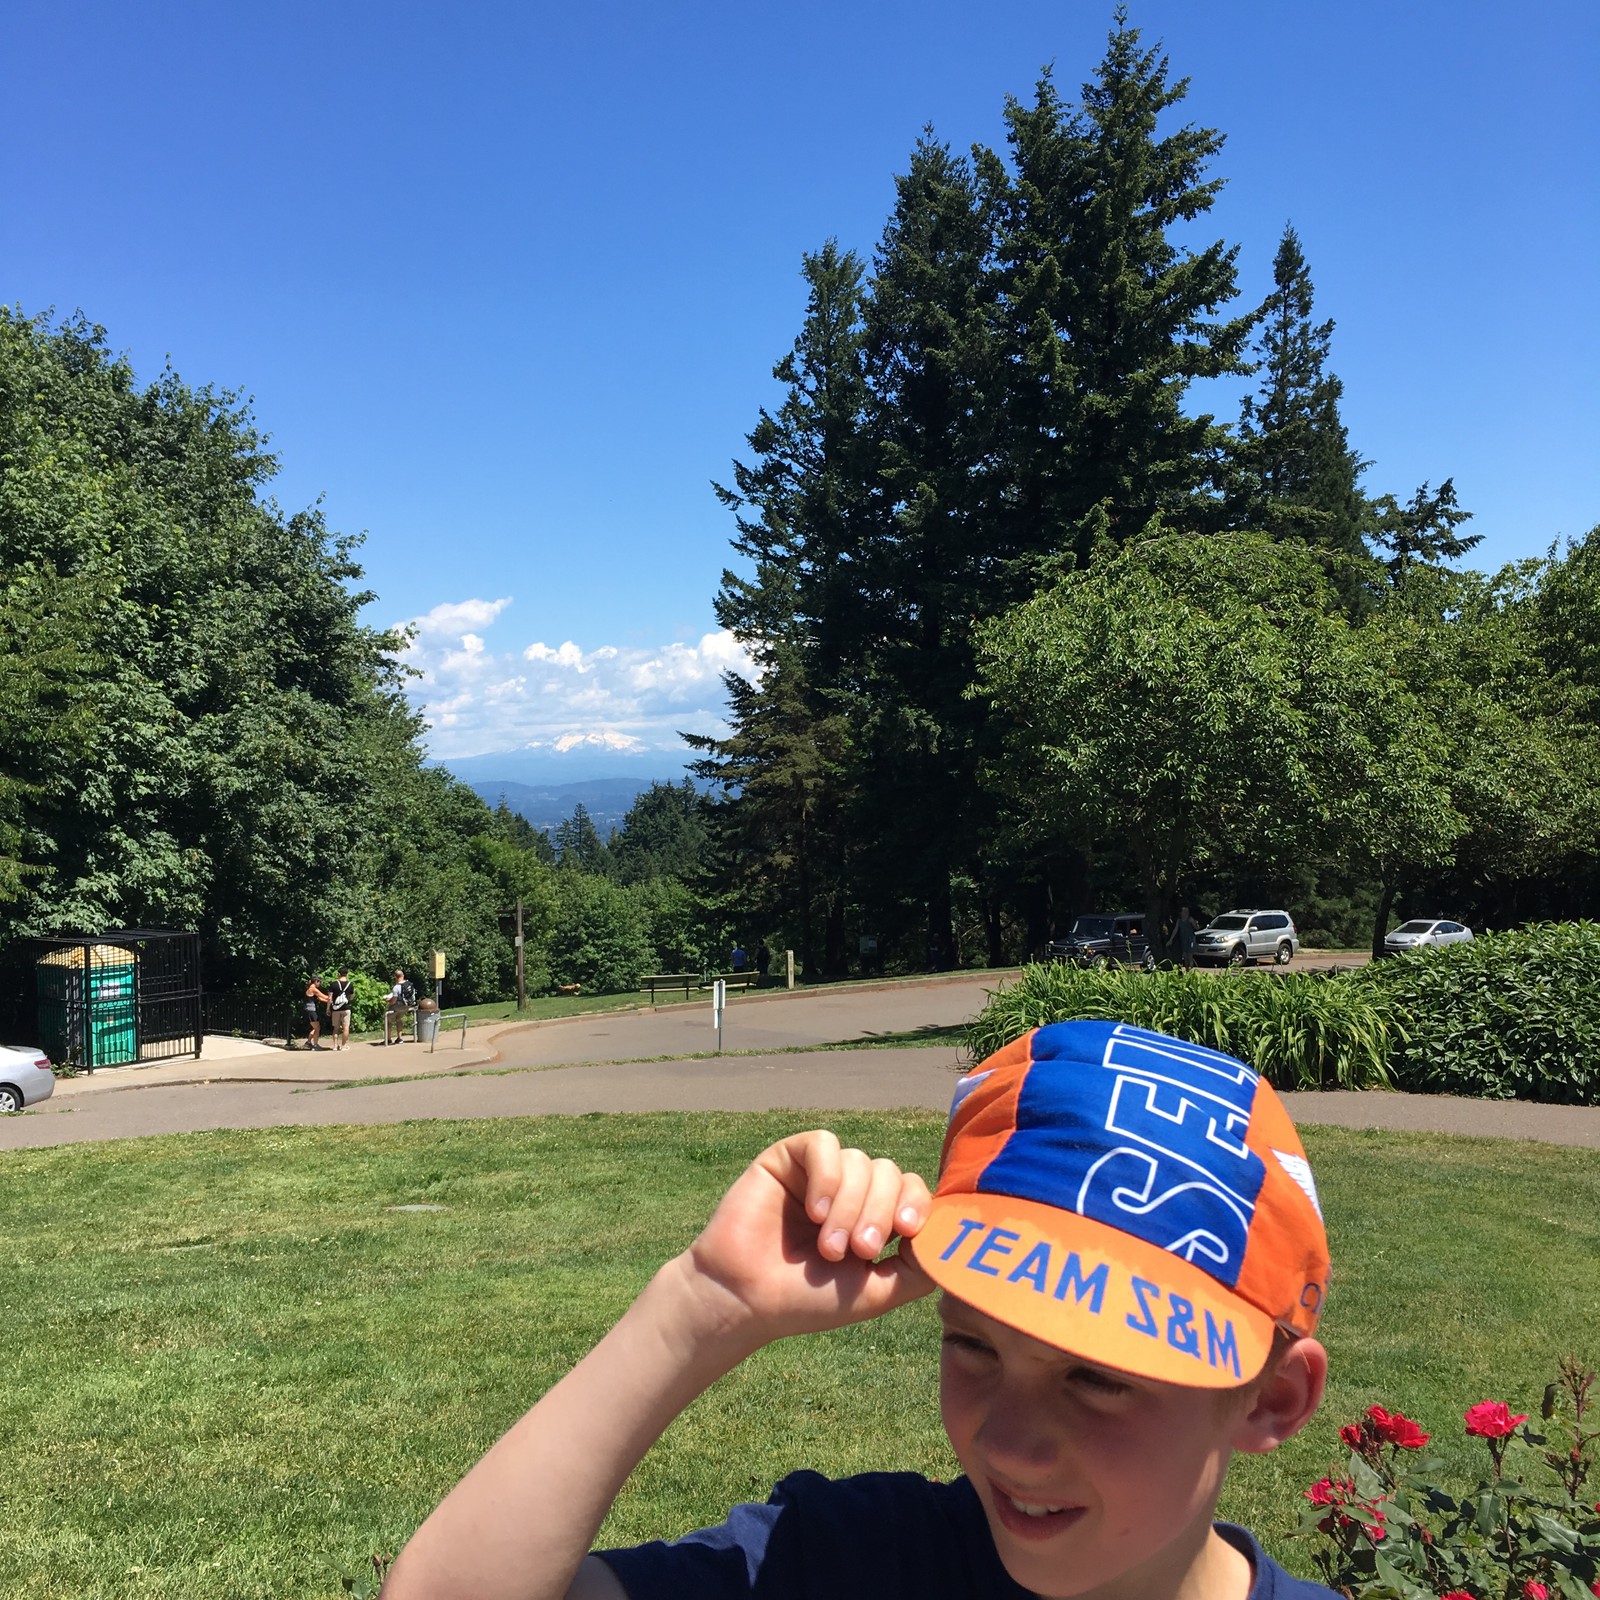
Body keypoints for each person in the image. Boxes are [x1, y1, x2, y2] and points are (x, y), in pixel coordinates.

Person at [386, 1020, 1337, 1600]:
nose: (1008, 1443)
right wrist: (699, 1309)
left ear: (1271, 1399)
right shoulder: (855, 1564)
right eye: (971, 1345)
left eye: (1096, 1377)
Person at [328, 968, 355, 1050]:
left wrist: (328, 1008)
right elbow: (351, 997)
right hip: (346, 1008)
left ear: (338, 974)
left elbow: (329, 998)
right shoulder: (350, 984)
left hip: (336, 1008)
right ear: (347, 974)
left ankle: (335, 1046)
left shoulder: (333, 984)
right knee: (346, 1027)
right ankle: (343, 1045)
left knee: (335, 1028)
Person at [302, 975, 330, 1051]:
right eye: (319, 982)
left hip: (309, 1010)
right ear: (316, 981)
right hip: (311, 1010)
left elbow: (320, 998)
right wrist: (332, 997)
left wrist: (329, 1001)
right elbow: (325, 997)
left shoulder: (310, 989)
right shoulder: (313, 989)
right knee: (317, 1028)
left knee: (315, 1028)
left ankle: (308, 1043)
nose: (319, 984)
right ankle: (315, 1045)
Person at [386, 970, 414, 1044]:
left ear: (395, 977)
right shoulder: (409, 984)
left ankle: (388, 1039)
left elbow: (393, 1001)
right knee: (399, 1019)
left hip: (397, 1007)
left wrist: (387, 1000)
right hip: (407, 1006)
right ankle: (399, 1038)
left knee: (388, 1020)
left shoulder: (396, 987)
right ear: (403, 975)